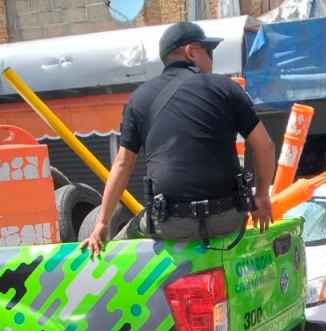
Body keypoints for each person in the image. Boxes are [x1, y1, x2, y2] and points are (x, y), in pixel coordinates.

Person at [80, 21, 275, 255]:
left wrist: (101, 224)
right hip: (228, 218)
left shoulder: (139, 99)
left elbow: (123, 164)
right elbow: (265, 146)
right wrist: (261, 196)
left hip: (170, 223)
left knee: (120, 245)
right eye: (209, 51)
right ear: (191, 52)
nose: (212, 60)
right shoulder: (226, 88)